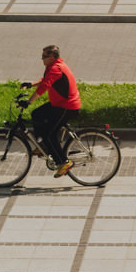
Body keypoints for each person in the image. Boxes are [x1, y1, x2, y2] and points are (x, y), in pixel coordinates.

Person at [26, 44, 83, 176]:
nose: (42, 59)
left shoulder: (57, 68)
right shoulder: (54, 66)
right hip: (59, 104)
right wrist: (31, 84)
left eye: (44, 56)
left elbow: (45, 86)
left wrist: (29, 101)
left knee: (49, 135)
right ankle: (43, 146)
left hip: (67, 107)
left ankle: (64, 162)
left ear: (51, 57)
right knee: (36, 114)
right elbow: (46, 80)